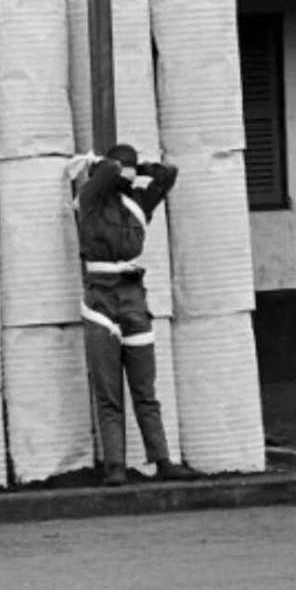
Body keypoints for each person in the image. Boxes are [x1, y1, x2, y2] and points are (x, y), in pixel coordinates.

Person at [69, 143, 201, 486]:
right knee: (108, 391)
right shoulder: (91, 200)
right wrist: (105, 165)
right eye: (121, 168)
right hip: (100, 298)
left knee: (145, 389)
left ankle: (162, 460)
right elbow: (109, 174)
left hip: (133, 297)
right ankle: (115, 465)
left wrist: (138, 167)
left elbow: (168, 175)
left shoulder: (138, 204)